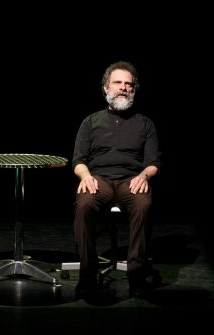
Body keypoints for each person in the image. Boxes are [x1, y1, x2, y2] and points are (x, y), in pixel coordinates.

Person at [72, 61, 160, 297]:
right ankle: (87, 275)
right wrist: (86, 175)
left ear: (133, 89)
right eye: (118, 82)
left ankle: (136, 275)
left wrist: (144, 175)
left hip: (131, 180)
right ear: (105, 88)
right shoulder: (90, 122)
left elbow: (153, 163)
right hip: (99, 179)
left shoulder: (145, 124)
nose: (123, 88)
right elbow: (78, 160)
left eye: (128, 84)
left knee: (143, 204)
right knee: (84, 204)